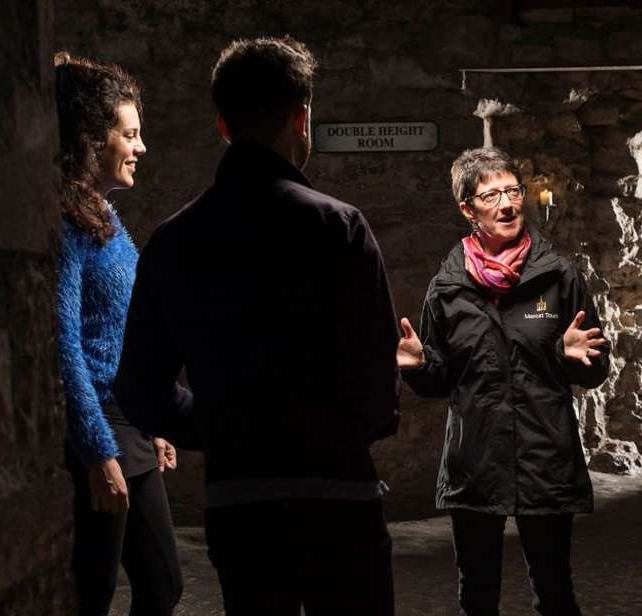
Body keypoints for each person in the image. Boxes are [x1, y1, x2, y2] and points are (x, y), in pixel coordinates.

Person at [113, 36, 400, 616]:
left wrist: (220, 423)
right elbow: (378, 391)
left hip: (241, 499)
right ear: (302, 116)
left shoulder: (174, 240)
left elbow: (141, 389)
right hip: (337, 493)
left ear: (223, 125)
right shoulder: (338, 227)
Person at [397, 147, 611, 616]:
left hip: (545, 455)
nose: (507, 204)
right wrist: (417, 368)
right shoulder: (447, 287)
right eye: (491, 195)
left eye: (513, 191)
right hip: (475, 460)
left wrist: (575, 358)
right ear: (467, 209)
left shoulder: (559, 277)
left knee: (555, 592)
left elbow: (596, 370)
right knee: (477, 594)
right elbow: (442, 381)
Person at [54, 52, 184, 616]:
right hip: (102, 428)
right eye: (130, 135)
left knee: (162, 585)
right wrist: (98, 451)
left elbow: (121, 336)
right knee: (95, 593)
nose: (141, 147)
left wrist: (150, 421)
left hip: (129, 422)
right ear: (91, 141)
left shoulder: (102, 216)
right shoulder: (67, 223)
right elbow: (66, 347)